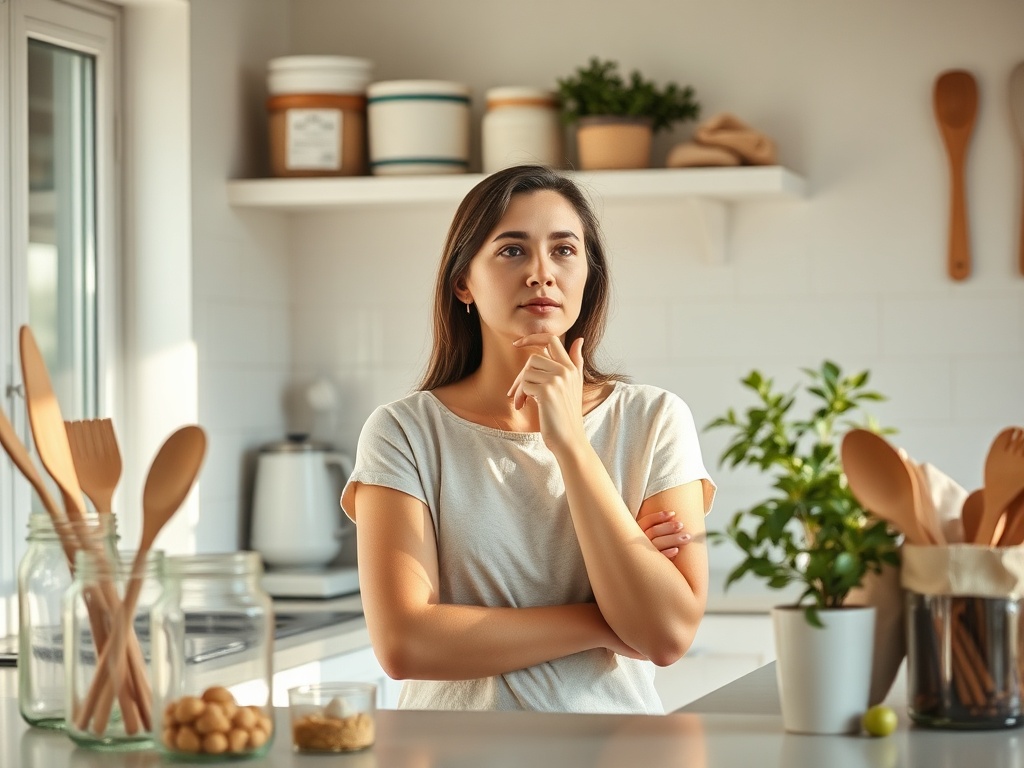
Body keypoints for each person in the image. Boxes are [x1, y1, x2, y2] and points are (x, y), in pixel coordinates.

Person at [340, 164, 715, 714]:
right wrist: (606, 619)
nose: (542, 272)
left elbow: (666, 635)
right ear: (463, 282)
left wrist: (570, 443)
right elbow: (405, 643)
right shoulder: (404, 432)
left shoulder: (655, 419)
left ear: (589, 276)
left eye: (564, 250)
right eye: (512, 250)